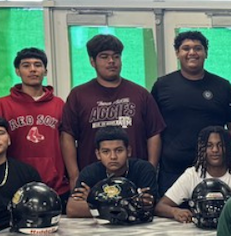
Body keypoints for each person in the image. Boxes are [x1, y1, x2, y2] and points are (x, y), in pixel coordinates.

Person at [59, 33, 165, 186]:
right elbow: (67, 136)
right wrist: (74, 175)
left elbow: (154, 134)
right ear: (92, 62)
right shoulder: (78, 95)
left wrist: (150, 170)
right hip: (92, 179)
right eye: (104, 56)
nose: (111, 61)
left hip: (134, 178)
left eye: (116, 56)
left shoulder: (140, 94)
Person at [151, 30, 231, 196]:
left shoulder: (222, 86)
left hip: (213, 171)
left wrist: (216, 147)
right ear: (178, 53)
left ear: (205, 53)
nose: (192, 52)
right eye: (186, 48)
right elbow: (153, 129)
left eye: (198, 48)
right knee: (171, 216)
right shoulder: (162, 86)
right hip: (172, 170)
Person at [0, 46, 69, 202]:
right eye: (26, 66)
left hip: (55, 185)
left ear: (45, 71)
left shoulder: (59, 104)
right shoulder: (3, 104)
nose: (33, 70)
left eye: (37, 65)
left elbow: (67, 143)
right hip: (15, 186)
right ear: (18, 71)